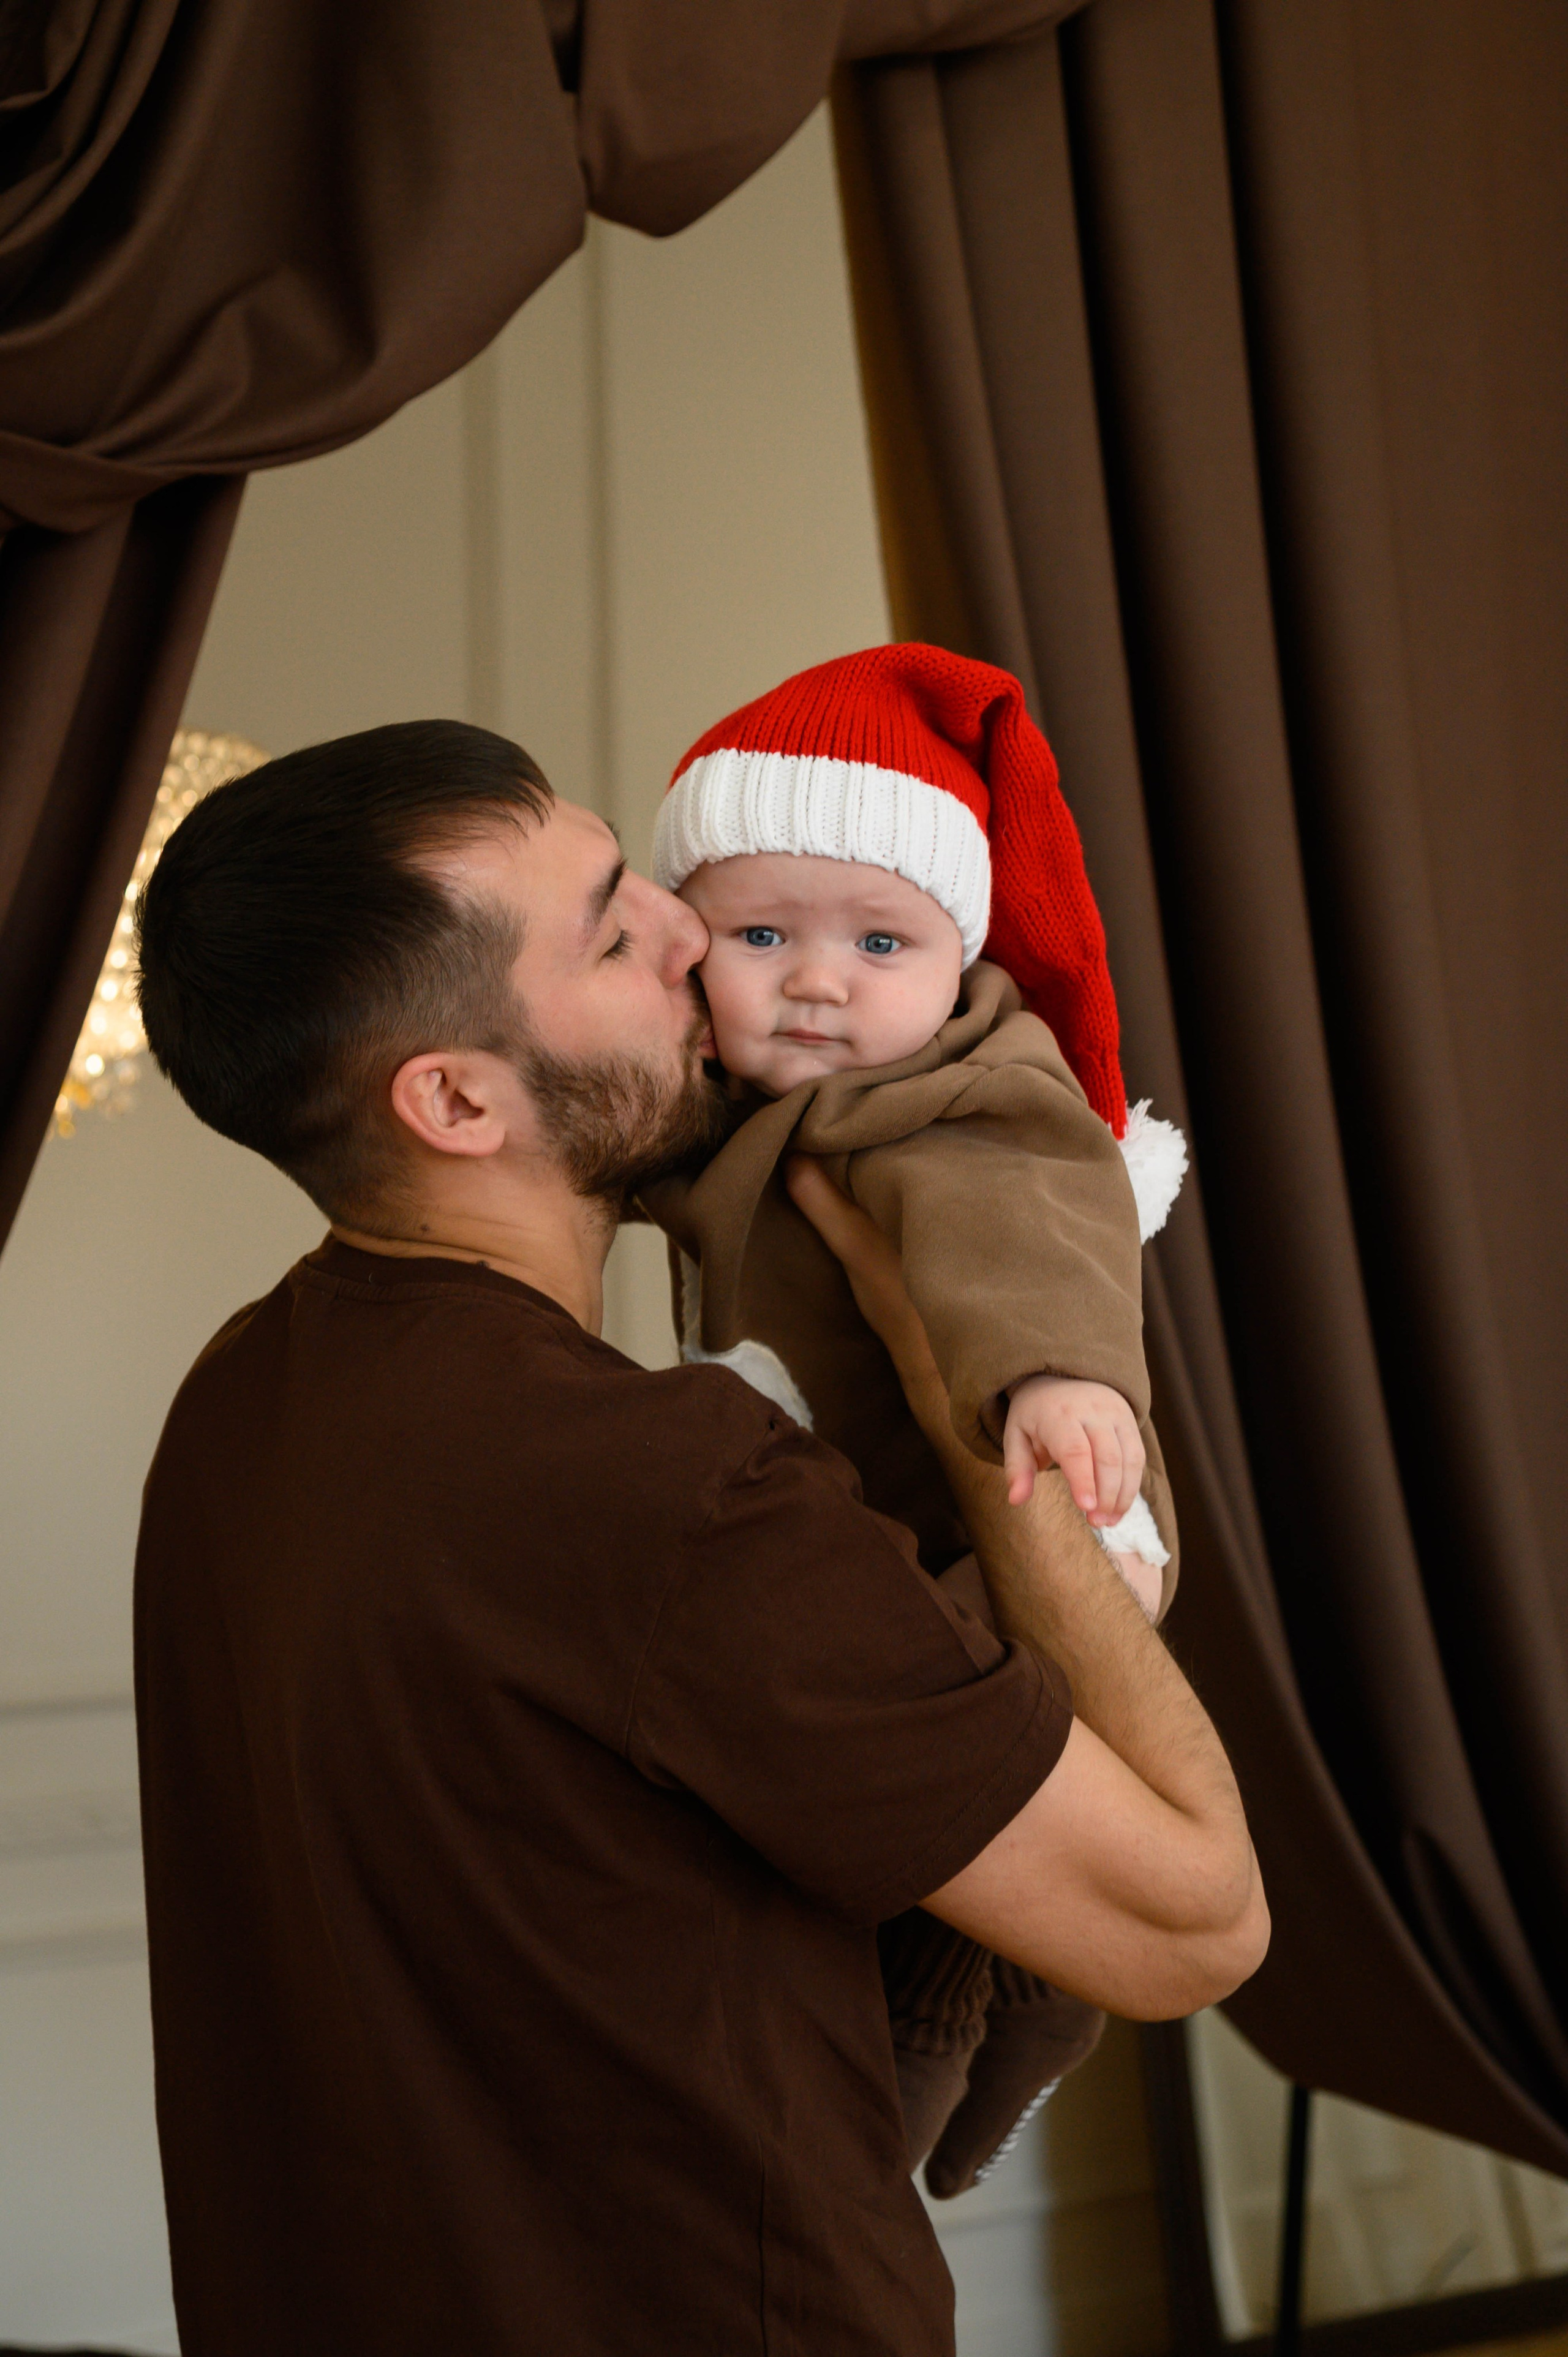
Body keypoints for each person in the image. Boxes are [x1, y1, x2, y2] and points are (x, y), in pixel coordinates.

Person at [132, 717, 1267, 2357]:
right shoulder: (666, 1492)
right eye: (611, 928)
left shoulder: (237, 1406)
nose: (690, 924)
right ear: (456, 1098)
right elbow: (1194, 1919)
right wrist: (969, 1397)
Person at [640, 642, 1189, 2179]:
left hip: (1026, 1493)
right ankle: (1022, 2006)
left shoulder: (965, 1084)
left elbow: (1034, 1213)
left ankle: (961, 2024)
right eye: (759, 933)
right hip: (888, 1510)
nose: (818, 979)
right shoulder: (745, 1099)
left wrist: (1058, 1377)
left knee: (956, 1801)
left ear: (958, 958)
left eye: (880, 941)